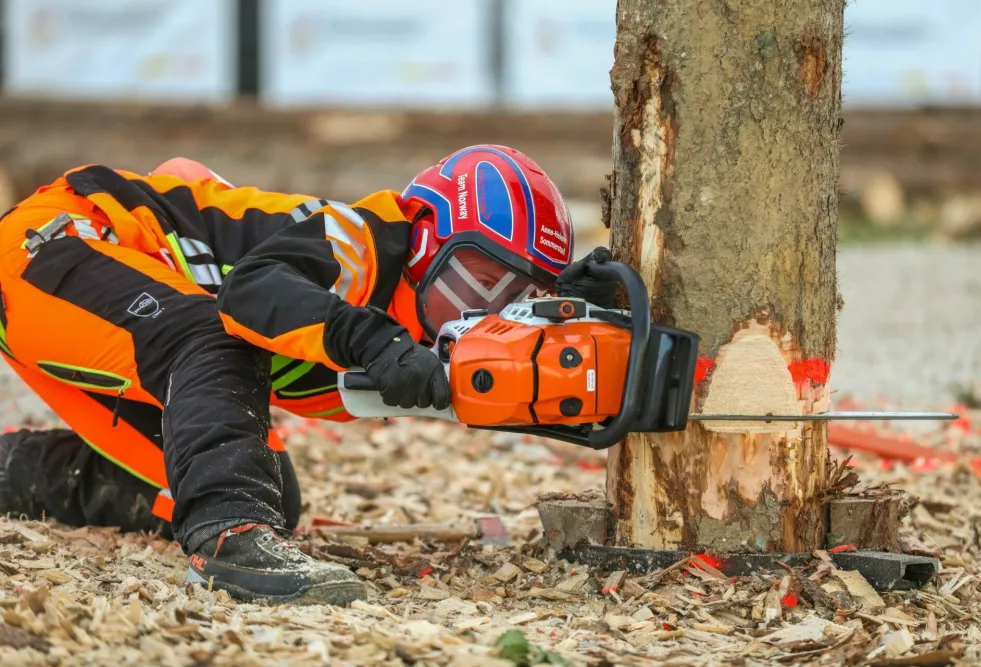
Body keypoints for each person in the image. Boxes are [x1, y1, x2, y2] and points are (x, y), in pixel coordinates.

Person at [0, 145, 616, 606]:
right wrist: (378, 343)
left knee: (253, 488)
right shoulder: (357, 239)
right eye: (477, 283)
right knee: (215, 341)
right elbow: (251, 298)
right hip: (52, 247)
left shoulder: (419, 323)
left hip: (101, 313)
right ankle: (231, 541)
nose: (479, 316)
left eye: (512, 296)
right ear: (425, 240)